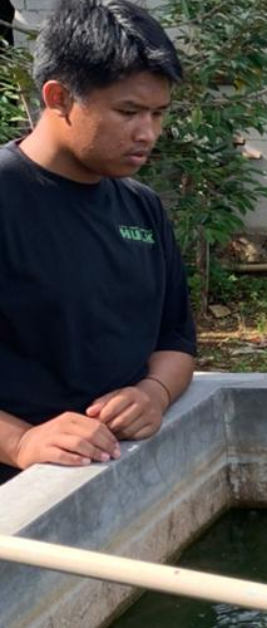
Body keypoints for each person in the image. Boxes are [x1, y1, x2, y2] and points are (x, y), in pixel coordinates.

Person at [0, 0, 196, 483]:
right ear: (58, 98)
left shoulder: (141, 208)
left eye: (158, 113)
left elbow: (175, 339)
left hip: (111, 478)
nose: (147, 133)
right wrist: (21, 440)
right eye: (128, 111)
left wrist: (153, 393)